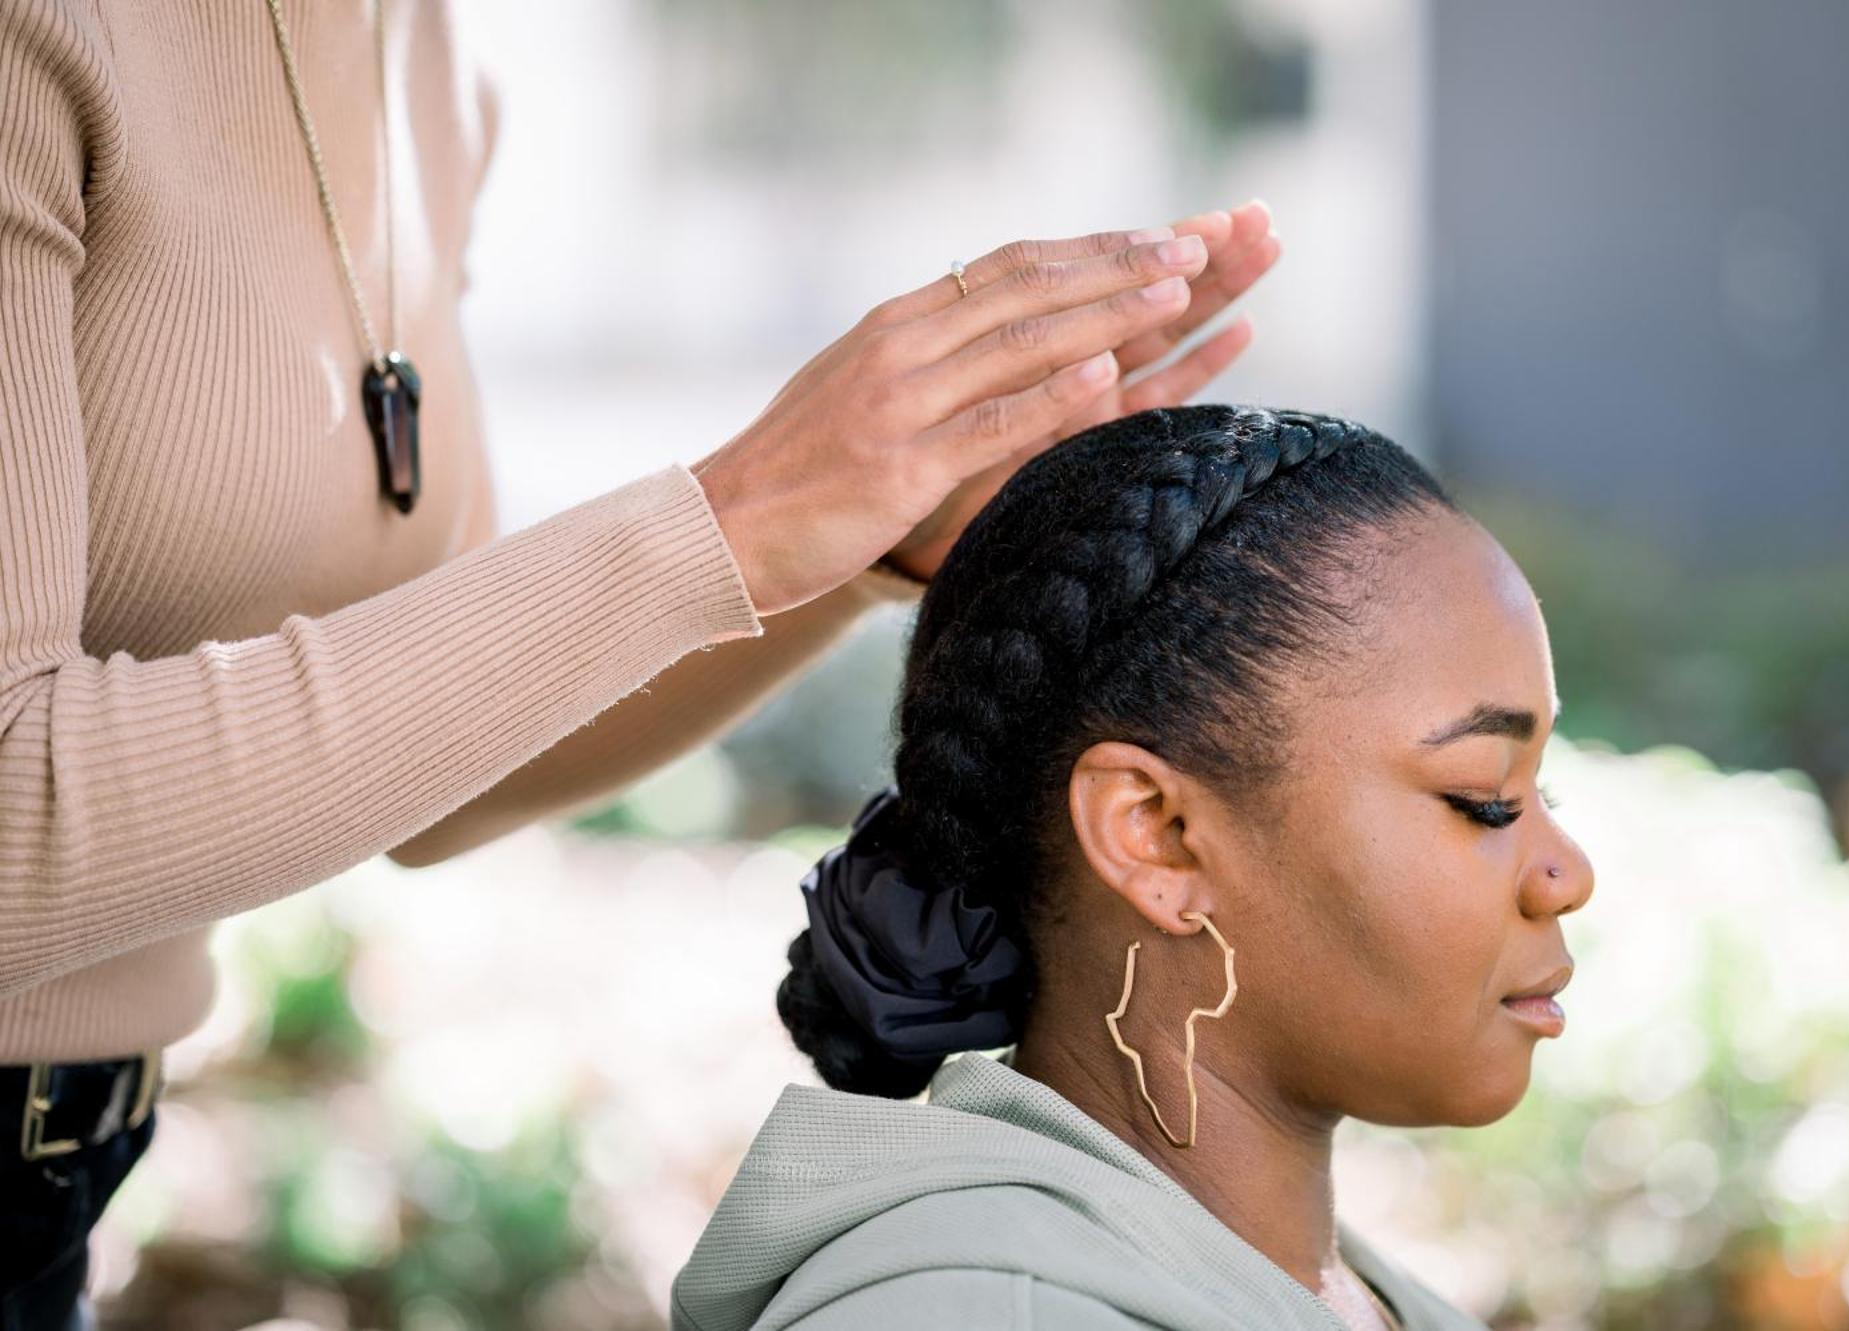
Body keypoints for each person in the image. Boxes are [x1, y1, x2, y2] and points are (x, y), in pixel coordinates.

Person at [0, 2, 1281, 1325]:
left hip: (65, 1174)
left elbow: (442, 769)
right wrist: (731, 513)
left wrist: (853, 551)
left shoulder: (417, 58)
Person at [671, 405, 1597, 1330]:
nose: (1567, 873)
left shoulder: (1353, 1292)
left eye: (1541, 789)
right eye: (1486, 797)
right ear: (1155, 833)